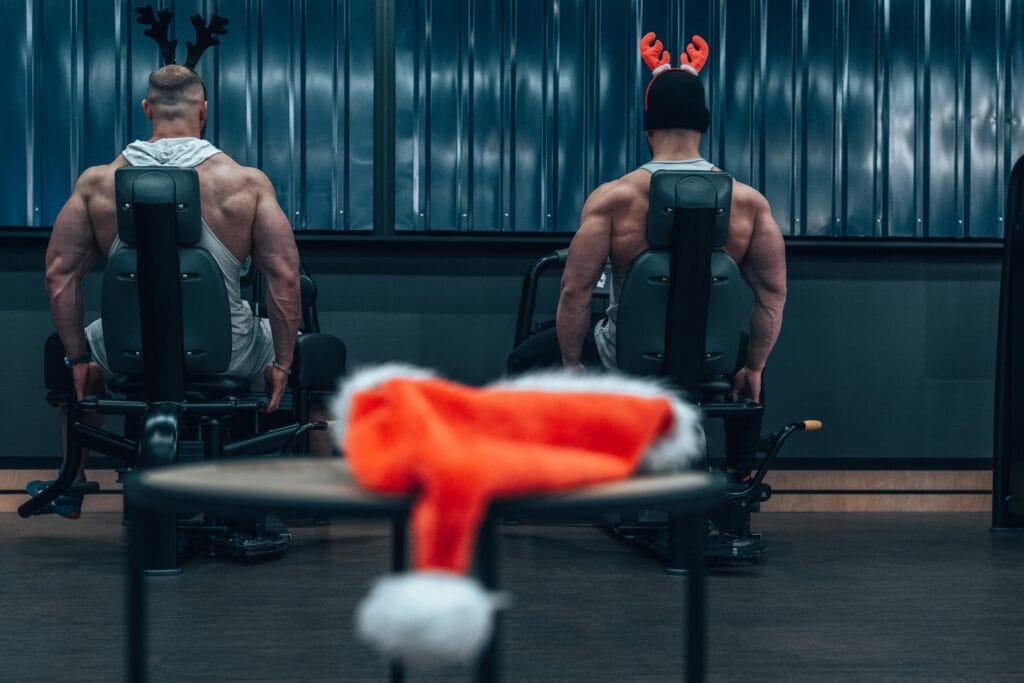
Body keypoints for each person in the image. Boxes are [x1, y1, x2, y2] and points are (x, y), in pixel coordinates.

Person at [509, 34, 787, 482]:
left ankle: (535, 479)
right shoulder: (750, 204)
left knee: (524, 359)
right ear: (704, 125)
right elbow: (772, 295)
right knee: (742, 353)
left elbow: (575, 291)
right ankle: (741, 473)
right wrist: (754, 368)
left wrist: (573, 368)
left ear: (648, 128)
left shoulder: (613, 200)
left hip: (624, 356)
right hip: (709, 362)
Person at [32, 64, 303, 516]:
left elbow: (58, 274)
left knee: (68, 354)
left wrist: (81, 360)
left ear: (147, 109)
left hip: (125, 349)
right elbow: (284, 277)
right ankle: (308, 496)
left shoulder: (96, 184)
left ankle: (72, 479)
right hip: (229, 350)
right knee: (313, 361)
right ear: (203, 111)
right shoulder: (246, 184)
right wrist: (284, 362)